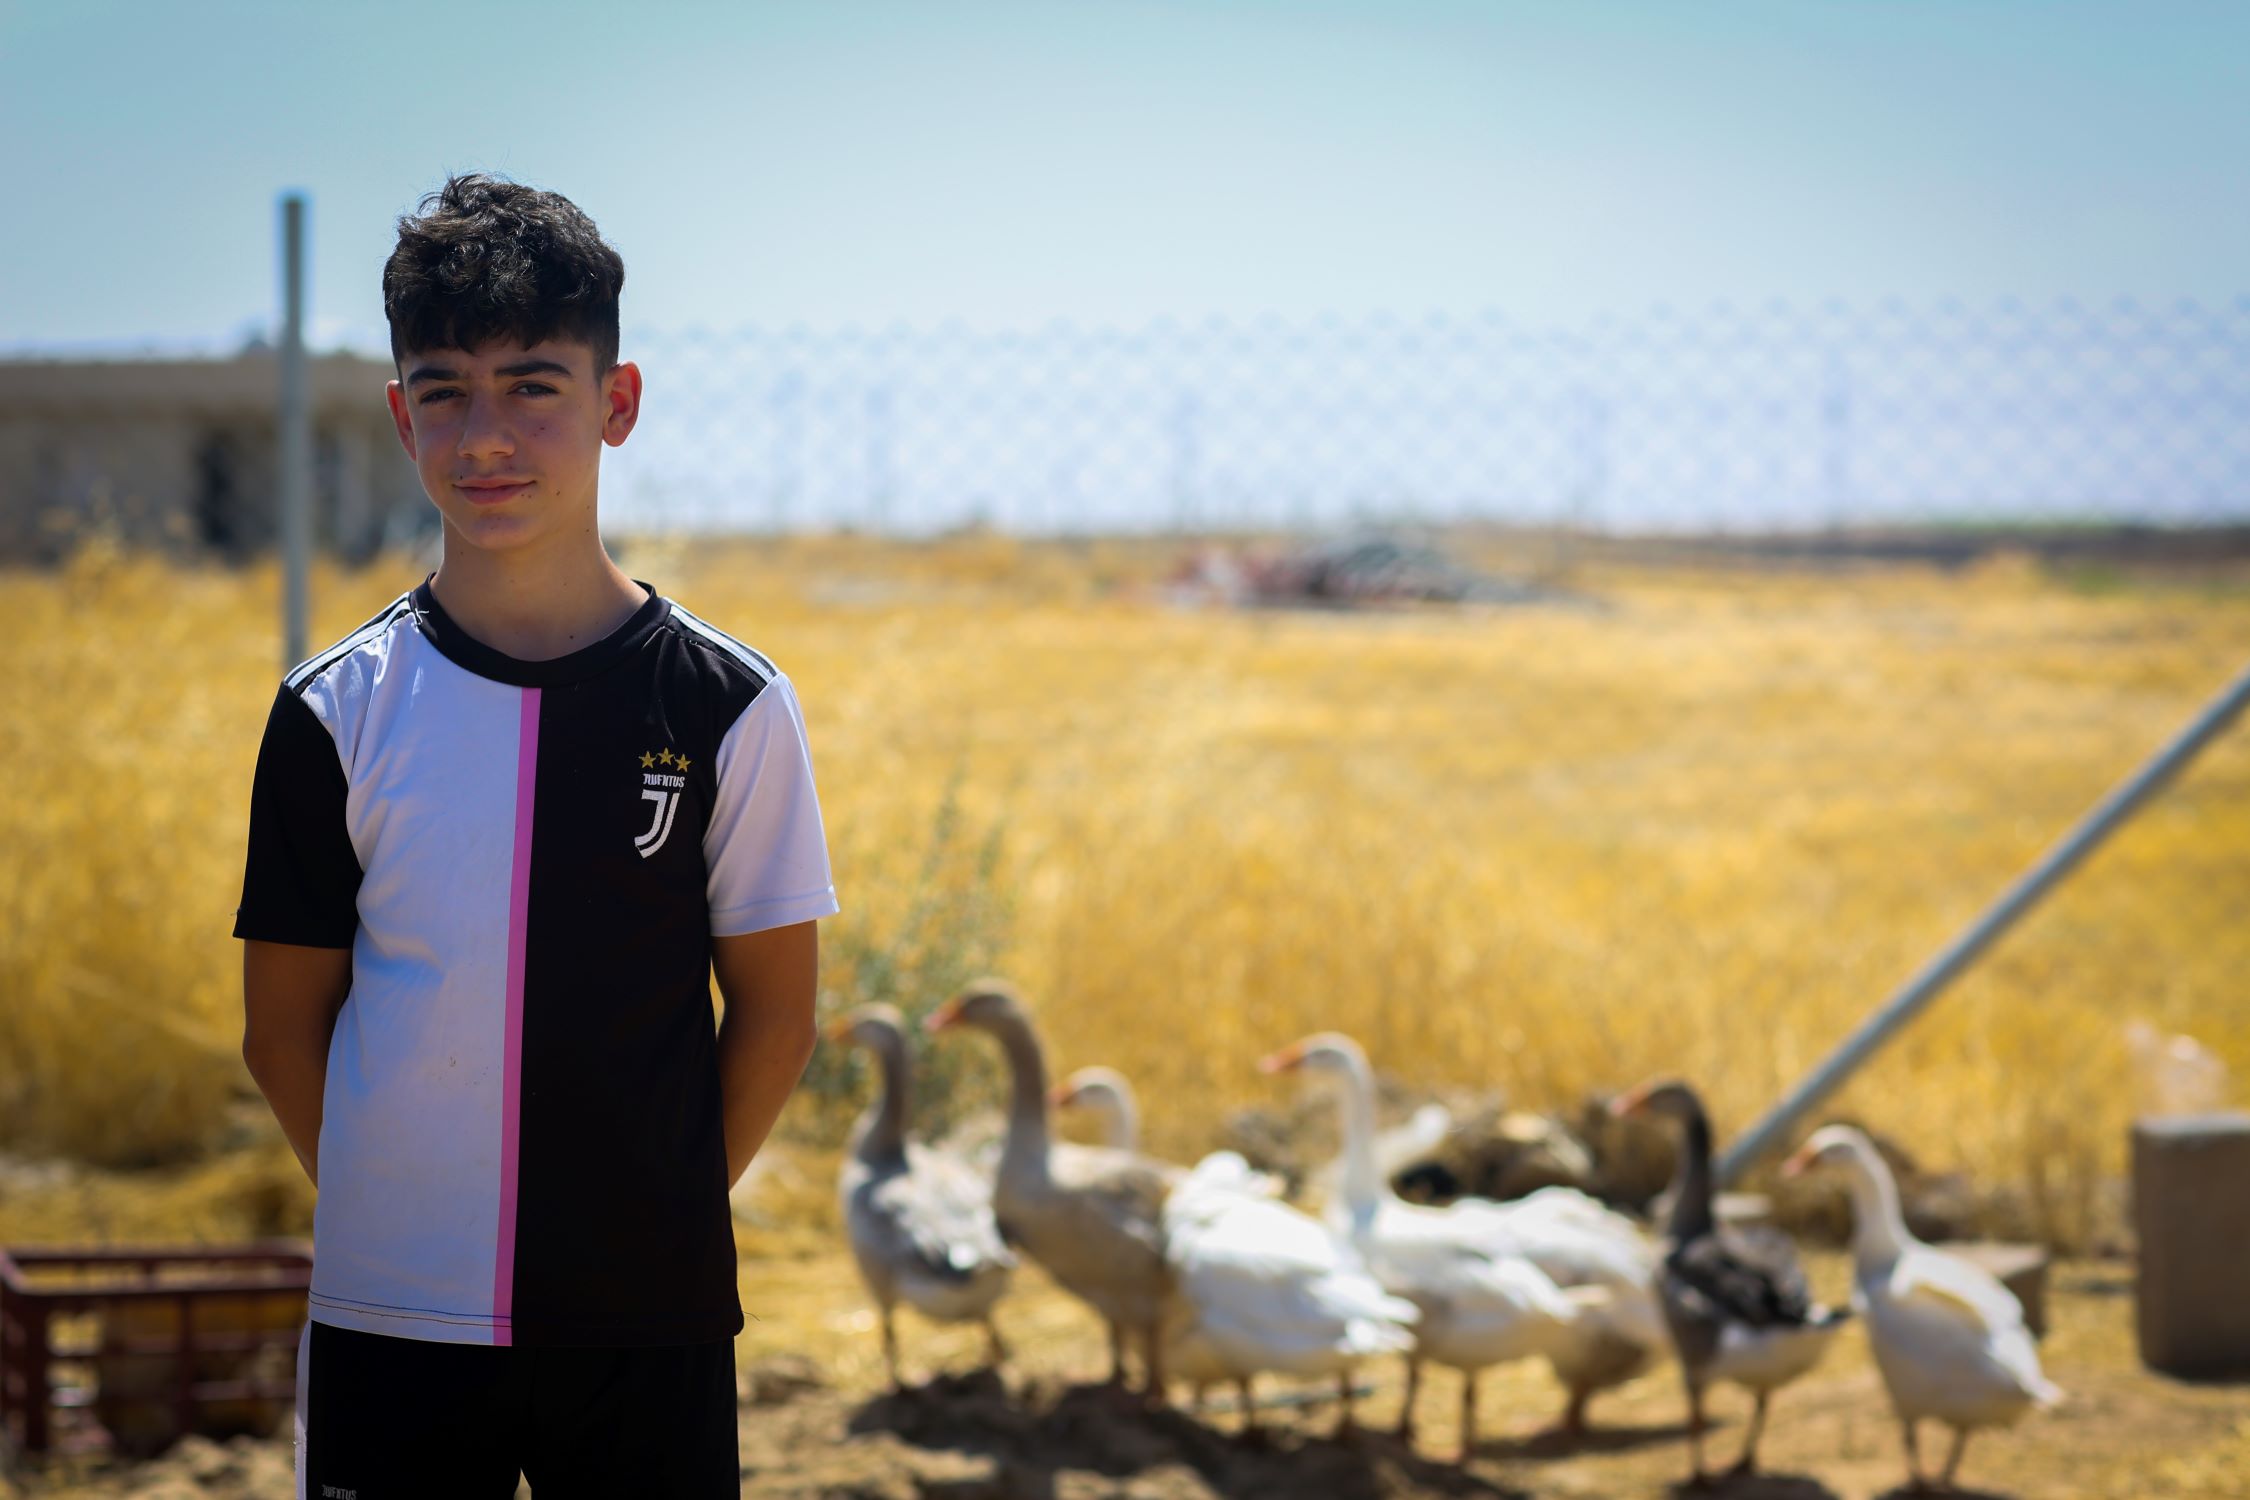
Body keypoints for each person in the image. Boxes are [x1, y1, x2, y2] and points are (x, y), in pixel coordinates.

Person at [235, 174, 835, 1497]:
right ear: (400, 417)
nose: (484, 435)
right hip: (392, 1320)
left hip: (643, 1319)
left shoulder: (732, 707)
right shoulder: (334, 713)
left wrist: (651, 1218)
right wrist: (408, 1226)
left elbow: (778, 1017)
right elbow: (281, 1029)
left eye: (534, 387)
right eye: (444, 390)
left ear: (616, 404)